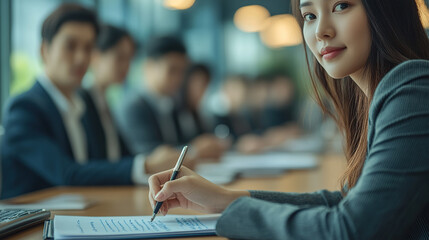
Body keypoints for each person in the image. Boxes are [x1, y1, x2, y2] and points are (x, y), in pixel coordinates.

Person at [148, 0, 429, 239]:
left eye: (341, 6)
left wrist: (235, 214)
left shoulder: (413, 88)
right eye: (309, 16)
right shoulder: (383, 95)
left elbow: (350, 228)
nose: (321, 31)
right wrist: (225, 199)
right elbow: (344, 202)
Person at [0, 4, 180, 199]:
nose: (81, 58)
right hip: (34, 223)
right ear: (44, 50)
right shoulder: (24, 108)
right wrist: (145, 165)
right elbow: (67, 173)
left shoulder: (80, 105)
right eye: (70, 46)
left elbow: (101, 163)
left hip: (80, 211)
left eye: (88, 48)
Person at [116, 37, 227, 160]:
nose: (178, 78)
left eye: (182, 71)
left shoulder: (173, 104)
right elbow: (149, 154)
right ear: (149, 67)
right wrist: (194, 150)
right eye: (172, 70)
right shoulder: (133, 107)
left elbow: (180, 142)